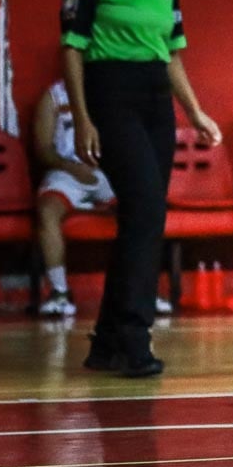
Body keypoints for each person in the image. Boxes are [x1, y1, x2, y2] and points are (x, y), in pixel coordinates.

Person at [61, 0, 220, 377]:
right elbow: (72, 49)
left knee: (142, 217)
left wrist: (194, 111)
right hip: (111, 94)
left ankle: (107, 341)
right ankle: (133, 338)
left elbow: (172, 52)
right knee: (147, 209)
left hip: (156, 100)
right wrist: (83, 117)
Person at [33, 79, 175, 317]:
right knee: (47, 210)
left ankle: (144, 292)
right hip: (67, 172)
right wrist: (70, 167)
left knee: (143, 209)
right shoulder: (54, 96)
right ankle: (59, 293)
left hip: (109, 172)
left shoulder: (114, 89)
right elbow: (43, 149)